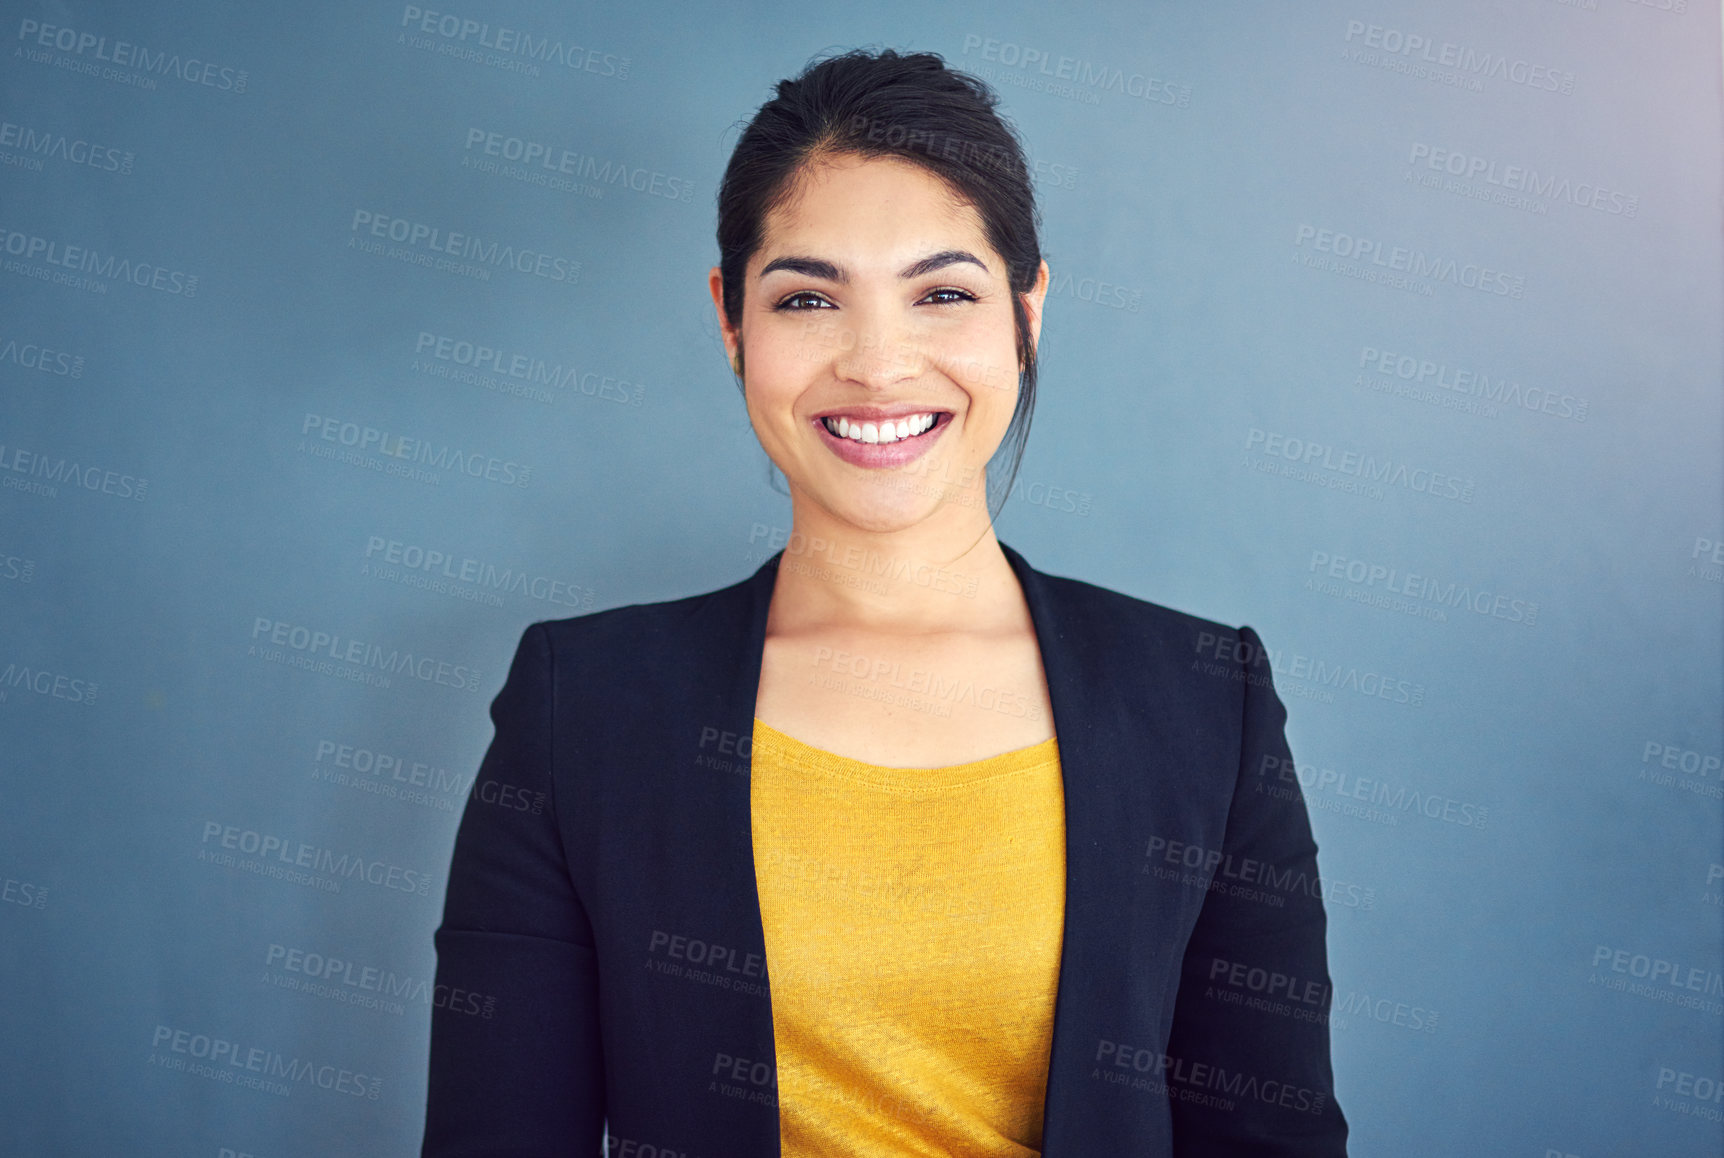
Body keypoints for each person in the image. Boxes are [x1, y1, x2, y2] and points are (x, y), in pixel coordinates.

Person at [423, 48, 1347, 1158]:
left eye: (942, 294)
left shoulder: (1204, 699)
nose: (875, 363)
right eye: (808, 298)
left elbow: (1268, 1140)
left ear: (1026, 309)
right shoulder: (584, 706)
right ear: (730, 321)